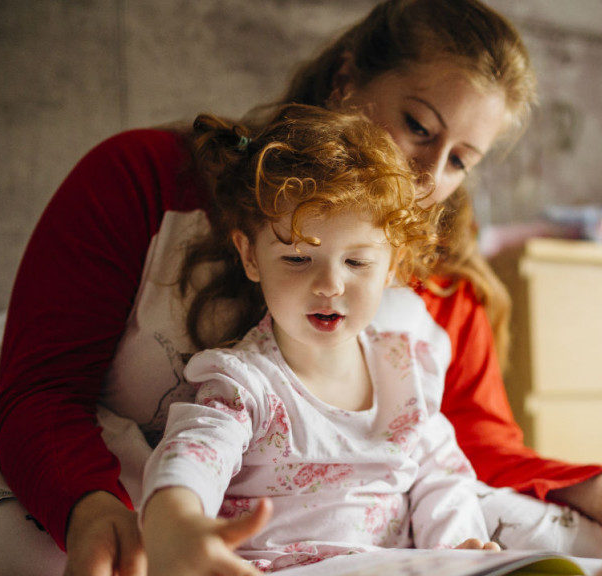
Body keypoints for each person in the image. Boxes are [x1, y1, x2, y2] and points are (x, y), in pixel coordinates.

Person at [0, 1, 602, 575]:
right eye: (418, 127)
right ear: (347, 80)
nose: (427, 178)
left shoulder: (434, 287)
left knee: (558, 533)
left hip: (378, 517)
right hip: (165, 498)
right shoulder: (140, 180)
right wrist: (89, 506)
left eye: (459, 161)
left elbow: (464, 445)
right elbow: (43, 390)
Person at [141, 104, 502, 574]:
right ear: (251, 257)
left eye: (356, 263)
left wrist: (457, 549)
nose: (330, 285)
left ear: (392, 265)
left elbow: (441, 479)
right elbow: (194, 453)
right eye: (296, 259)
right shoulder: (245, 383)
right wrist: (178, 522)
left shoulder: (406, 368)